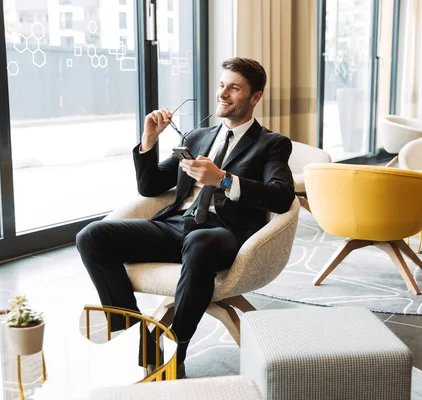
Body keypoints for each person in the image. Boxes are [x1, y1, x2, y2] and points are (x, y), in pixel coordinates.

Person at [76, 57, 295, 378]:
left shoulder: (271, 144)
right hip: (174, 226)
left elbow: (281, 195)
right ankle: (125, 316)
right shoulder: (197, 137)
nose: (223, 93)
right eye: (222, 85)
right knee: (92, 236)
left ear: (255, 97)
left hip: (223, 232)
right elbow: (150, 186)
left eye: (234, 88)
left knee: (200, 240)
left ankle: (177, 343)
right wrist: (150, 139)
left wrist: (222, 178)